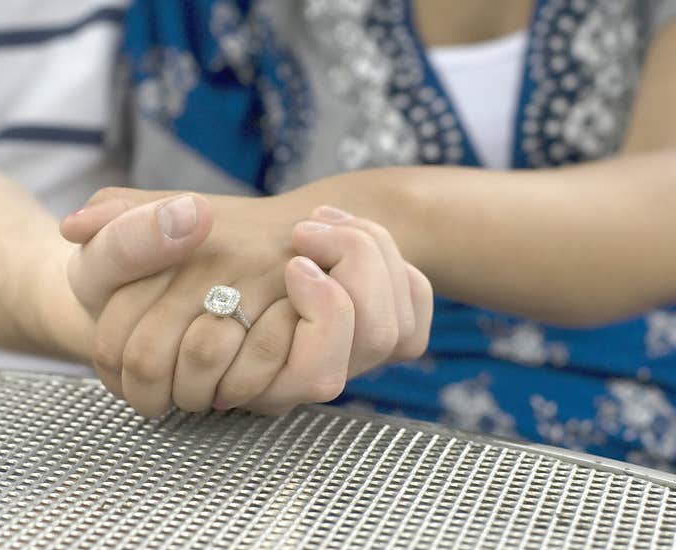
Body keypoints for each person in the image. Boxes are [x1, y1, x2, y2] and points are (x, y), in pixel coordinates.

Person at [0, 1, 675, 470]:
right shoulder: (202, 18)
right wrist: (149, 309)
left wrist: (368, 213)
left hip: (631, 436)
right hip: (319, 436)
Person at [63, 0, 676, 470]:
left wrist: (356, 216)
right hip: (321, 461)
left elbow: (656, 211)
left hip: (632, 462)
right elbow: (203, 273)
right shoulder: (207, 15)